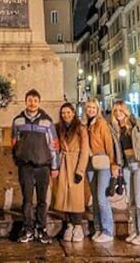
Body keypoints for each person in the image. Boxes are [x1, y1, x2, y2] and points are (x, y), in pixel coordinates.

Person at [11, 89, 59, 243]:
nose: (32, 103)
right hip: (25, 166)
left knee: (42, 200)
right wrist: (17, 158)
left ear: (39, 102)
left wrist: (55, 166)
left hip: (43, 166)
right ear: (25, 101)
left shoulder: (47, 121)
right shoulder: (18, 121)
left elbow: (54, 145)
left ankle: (41, 228)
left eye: (35, 100)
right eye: (29, 100)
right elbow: (14, 142)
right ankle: (28, 228)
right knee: (27, 199)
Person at [112, 100, 140, 245]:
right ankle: (136, 231)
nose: (118, 114)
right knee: (131, 201)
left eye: (120, 110)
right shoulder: (116, 129)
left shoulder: (138, 126)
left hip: (139, 165)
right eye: (115, 111)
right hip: (127, 166)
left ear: (126, 111)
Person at [52, 102, 89, 242]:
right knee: (64, 196)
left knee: (76, 196)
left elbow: (85, 150)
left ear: (73, 113)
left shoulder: (80, 129)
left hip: (74, 163)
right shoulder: (58, 128)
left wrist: (80, 170)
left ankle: (77, 226)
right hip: (63, 163)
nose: (66, 115)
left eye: (68, 112)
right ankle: (68, 225)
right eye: (63, 113)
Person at [85, 97, 118, 243]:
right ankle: (98, 228)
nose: (91, 110)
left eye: (93, 107)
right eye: (88, 108)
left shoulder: (101, 124)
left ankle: (108, 230)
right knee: (95, 198)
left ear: (97, 109)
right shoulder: (86, 124)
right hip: (90, 163)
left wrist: (113, 164)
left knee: (101, 198)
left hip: (103, 161)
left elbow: (109, 145)